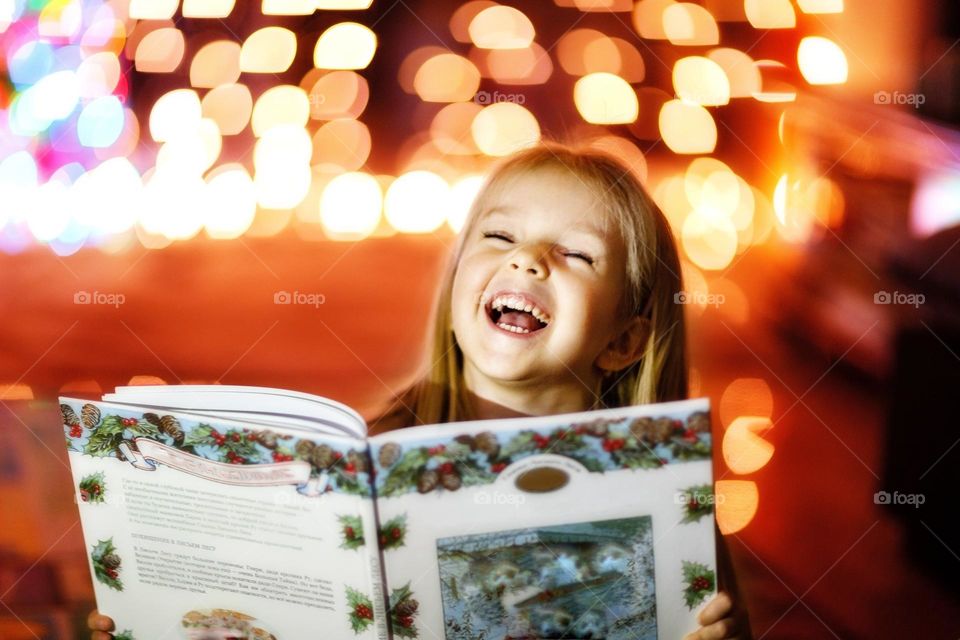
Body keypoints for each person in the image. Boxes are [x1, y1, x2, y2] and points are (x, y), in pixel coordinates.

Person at [88, 142, 750, 639]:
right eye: (499, 236)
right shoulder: (367, 462)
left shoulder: (662, 497)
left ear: (624, 341)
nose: (526, 259)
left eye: (576, 253)